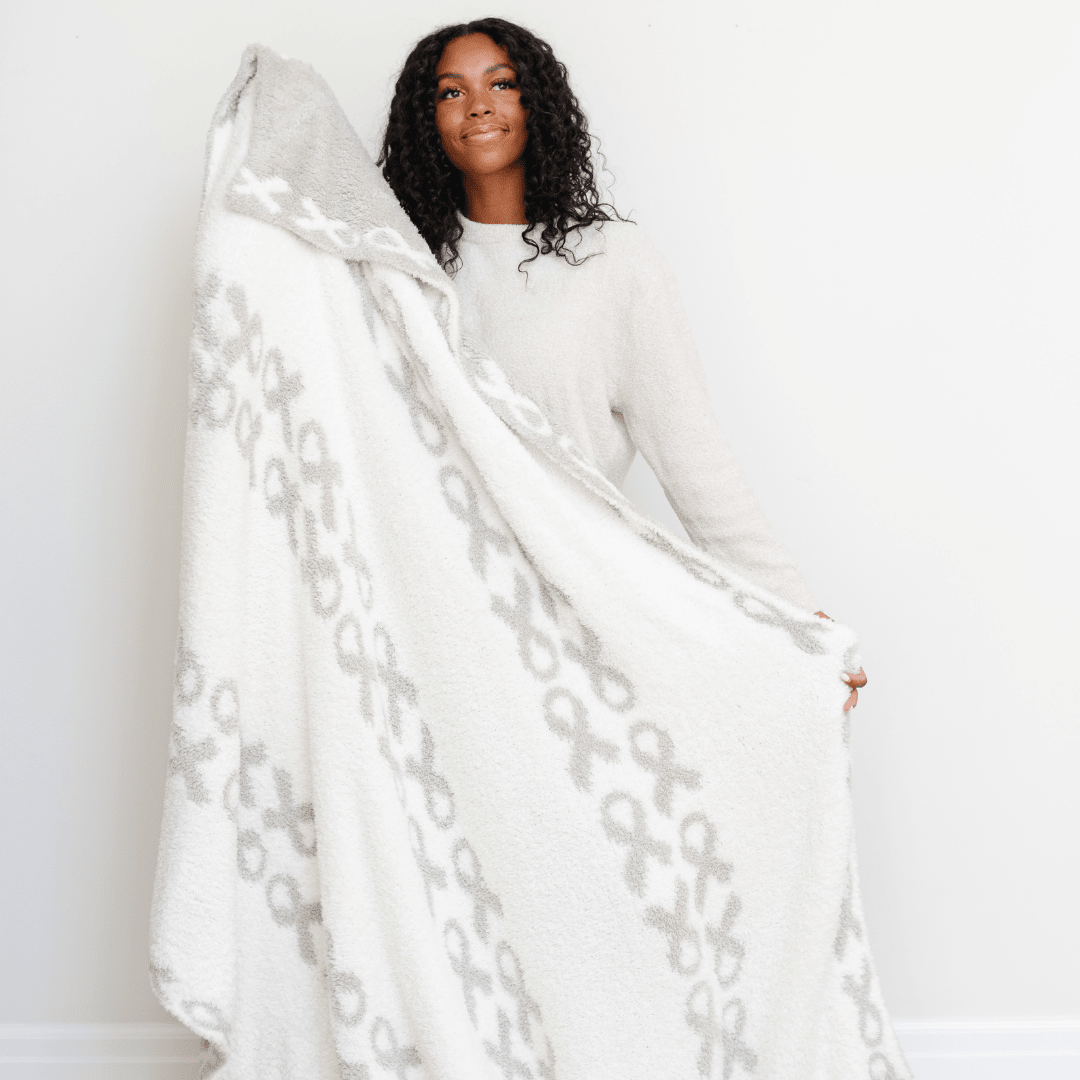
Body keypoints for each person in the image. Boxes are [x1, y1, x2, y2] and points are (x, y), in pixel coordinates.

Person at [378, 17, 865, 709]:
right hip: (433, 619)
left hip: (575, 620)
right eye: (450, 92)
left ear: (536, 104)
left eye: (502, 84)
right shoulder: (403, 272)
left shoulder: (613, 264)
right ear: (427, 122)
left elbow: (693, 456)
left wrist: (794, 617)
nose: (478, 105)